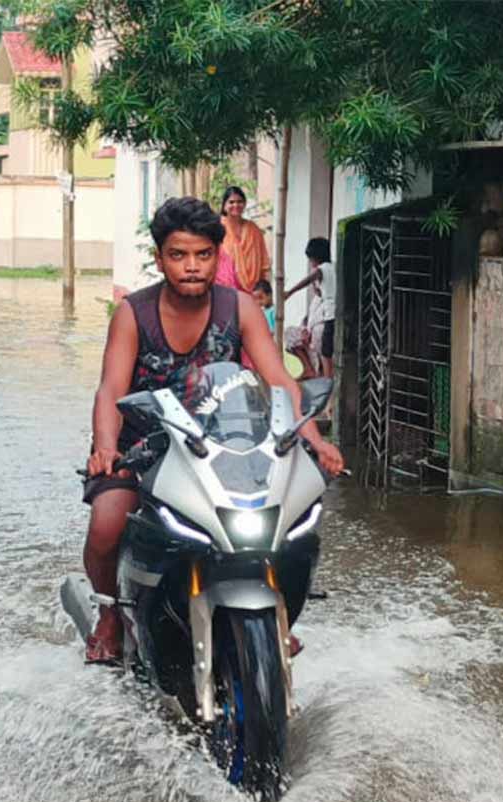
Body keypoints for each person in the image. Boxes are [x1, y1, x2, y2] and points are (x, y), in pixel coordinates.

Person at [82, 197, 344, 664]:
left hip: (224, 444)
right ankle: (108, 613)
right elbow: (110, 390)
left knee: (287, 527)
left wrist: (316, 440)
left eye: (203, 255)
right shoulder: (132, 314)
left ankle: (276, 616)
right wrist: (106, 448)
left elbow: (280, 380)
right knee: (106, 526)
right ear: (160, 258)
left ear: (217, 257)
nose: (191, 267)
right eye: (179, 255)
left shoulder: (239, 307)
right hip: (145, 445)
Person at [284, 237, 336, 381]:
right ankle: (315, 374)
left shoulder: (323, 269)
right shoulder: (332, 270)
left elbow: (310, 278)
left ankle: (326, 381)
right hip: (323, 321)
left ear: (315, 258)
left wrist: (290, 292)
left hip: (328, 318)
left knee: (326, 353)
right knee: (325, 352)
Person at [219, 185, 270, 293]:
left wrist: (265, 289)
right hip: (224, 289)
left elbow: (264, 262)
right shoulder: (217, 228)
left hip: (253, 291)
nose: (236, 205)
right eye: (231, 202)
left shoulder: (253, 229)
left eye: (239, 201)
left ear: (245, 204)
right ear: (224, 205)